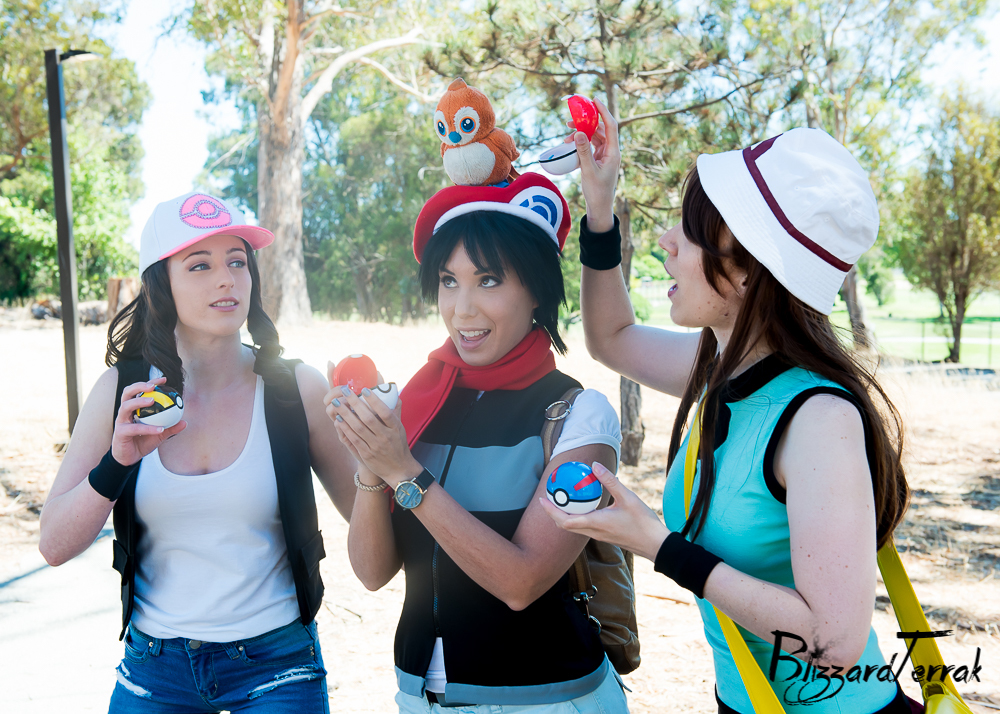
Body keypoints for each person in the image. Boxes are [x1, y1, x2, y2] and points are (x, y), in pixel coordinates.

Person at [542, 104, 914, 712]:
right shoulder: (722, 366)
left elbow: (834, 644)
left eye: (690, 231)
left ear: (746, 273)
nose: (666, 241)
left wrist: (660, 546)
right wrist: (600, 208)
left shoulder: (818, 419)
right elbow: (611, 338)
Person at [38, 192, 357, 713]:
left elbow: (372, 526)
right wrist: (117, 463)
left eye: (237, 261)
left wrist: (381, 453)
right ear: (161, 284)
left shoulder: (295, 388)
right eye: (200, 265)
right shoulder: (121, 392)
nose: (226, 279)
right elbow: (54, 544)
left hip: (278, 664)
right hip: (155, 669)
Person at [329, 173, 630, 713]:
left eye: (488, 280)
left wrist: (403, 471)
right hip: (420, 695)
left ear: (536, 288)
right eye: (449, 281)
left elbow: (521, 582)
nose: (462, 309)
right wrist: (372, 461)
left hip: (547, 701)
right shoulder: (419, 404)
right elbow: (372, 574)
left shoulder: (580, 416)